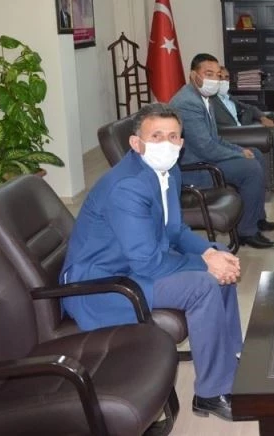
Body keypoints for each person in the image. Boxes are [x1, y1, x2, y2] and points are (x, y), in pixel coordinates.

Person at [60, 103, 243, 422]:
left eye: (173, 137)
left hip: (134, 265)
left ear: (181, 143)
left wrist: (211, 253)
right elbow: (148, 263)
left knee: (218, 254)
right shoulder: (127, 186)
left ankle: (229, 357)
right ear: (136, 143)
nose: (166, 144)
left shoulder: (168, 170)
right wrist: (206, 265)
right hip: (102, 284)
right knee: (203, 283)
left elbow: (176, 230)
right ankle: (211, 394)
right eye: (156, 136)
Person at [170, 53, 274, 249]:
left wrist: (240, 149)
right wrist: (238, 154)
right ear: (193, 75)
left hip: (205, 157)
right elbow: (206, 148)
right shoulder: (187, 103)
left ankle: (257, 219)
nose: (215, 79)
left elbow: (215, 139)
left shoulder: (204, 98)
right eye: (208, 74)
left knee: (255, 154)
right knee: (250, 169)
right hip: (194, 167)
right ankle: (246, 232)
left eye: (217, 75)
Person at [214, 66, 274, 192]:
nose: (224, 81)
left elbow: (250, 108)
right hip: (233, 134)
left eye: (227, 78)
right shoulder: (211, 101)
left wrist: (263, 118)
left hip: (243, 129)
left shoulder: (228, 97)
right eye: (220, 77)